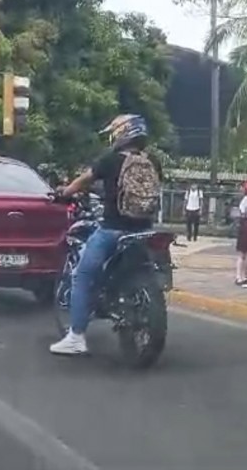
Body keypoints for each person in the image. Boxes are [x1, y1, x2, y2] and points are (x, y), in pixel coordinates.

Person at [50, 114, 162, 355]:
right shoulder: (152, 161)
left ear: (121, 133)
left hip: (113, 229)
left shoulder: (110, 160)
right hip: (145, 229)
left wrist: (65, 192)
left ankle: (76, 337)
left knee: (82, 275)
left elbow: (84, 180)